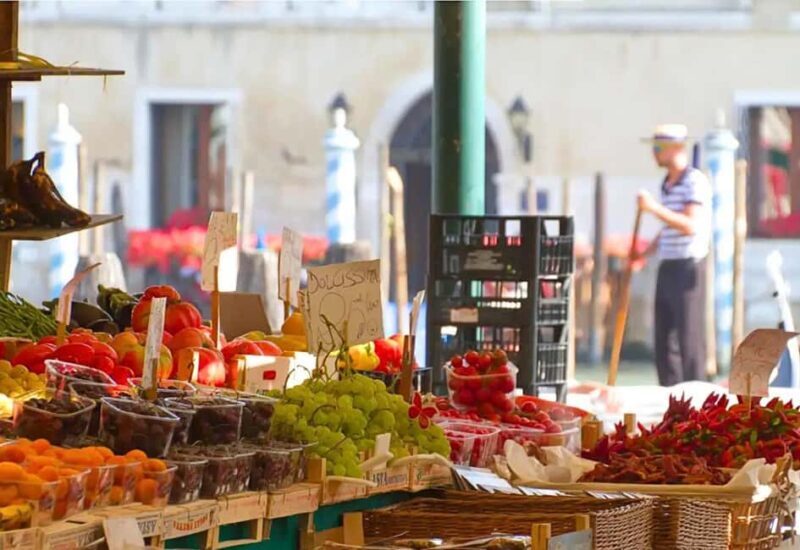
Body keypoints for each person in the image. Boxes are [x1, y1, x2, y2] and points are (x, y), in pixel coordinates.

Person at [635, 124, 712, 386]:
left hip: (689, 267)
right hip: (668, 264)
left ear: (675, 149)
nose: (653, 154)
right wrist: (644, 253)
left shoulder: (694, 181)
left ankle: (698, 396)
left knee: (689, 338)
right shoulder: (667, 184)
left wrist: (653, 208)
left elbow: (690, 224)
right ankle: (670, 396)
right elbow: (670, 225)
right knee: (663, 338)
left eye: (657, 148)